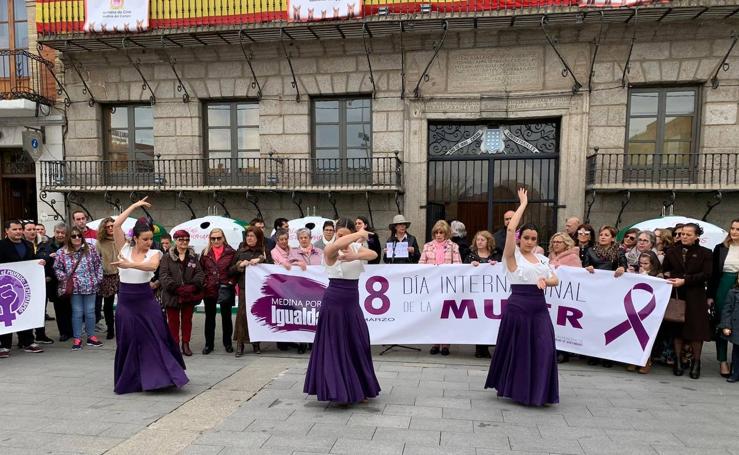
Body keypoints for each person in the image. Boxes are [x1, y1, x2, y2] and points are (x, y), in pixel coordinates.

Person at [485, 188, 559, 406]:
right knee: (520, 351)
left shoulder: (541, 259)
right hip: (518, 308)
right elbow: (510, 230)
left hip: (539, 307)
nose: (529, 241)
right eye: (526, 237)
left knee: (545, 348)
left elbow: (556, 279)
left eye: (534, 238)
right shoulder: (512, 256)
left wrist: (546, 282)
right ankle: (519, 390)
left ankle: (540, 391)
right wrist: (524, 204)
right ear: (520, 238)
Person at [111, 198, 188, 394]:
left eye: (149, 239)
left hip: (146, 301)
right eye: (144, 239)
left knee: (154, 338)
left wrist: (130, 265)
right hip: (126, 302)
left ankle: (161, 377)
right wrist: (135, 206)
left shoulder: (155, 253)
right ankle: (132, 380)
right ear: (135, 238)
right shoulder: (124, 248)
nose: (148, 242)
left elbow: (151, 267)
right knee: (128, 341)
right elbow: (117, 224)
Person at [303, 218, 380, 404]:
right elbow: (332, 248)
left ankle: (359, 387)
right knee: (336, 345)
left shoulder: (355, 249)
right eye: (339, 236)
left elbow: (374, 254)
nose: (342, 240)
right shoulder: (329, 252)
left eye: (346, 236)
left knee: (358, 344)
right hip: (334, 303)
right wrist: (358, 235)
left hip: (352, 304)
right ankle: (339, 390)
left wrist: (355, 254)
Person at [663, 222, 712, 379]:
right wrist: (669, 277)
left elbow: (707, 274)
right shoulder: (672, 251)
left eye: (688, 234)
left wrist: (685, 280)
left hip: (696, 295)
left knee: (696, 330)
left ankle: (696, 362)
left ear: (697, 236)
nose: (684, 237)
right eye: (682, 233)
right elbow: (665, 269)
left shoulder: (705, 252)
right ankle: (677, 360)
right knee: (677, 327)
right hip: (677, 294)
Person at [0, 219, 46, 357]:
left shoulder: (28, 245)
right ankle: (4, 345)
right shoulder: (1, 245)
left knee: (25, 311)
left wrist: (40, 262)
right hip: (5, 286)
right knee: (6, 314)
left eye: (20, 229)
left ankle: (27, 342)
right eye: (14, 229)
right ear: (6, 231)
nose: (18, 232)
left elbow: (31, 261)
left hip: (22, 286)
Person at [54, 226, 104, 350]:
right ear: (69, 238)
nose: (77, 238)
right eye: (73, 236)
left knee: (90, 312)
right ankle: (77, 338)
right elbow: (57, 268)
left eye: (79, 236)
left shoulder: (91, 249)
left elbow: (98, 265)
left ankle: (91, 336)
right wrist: (65, 278)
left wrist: (97, 279)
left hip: (90, 285)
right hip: (74, 288)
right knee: (77, 313)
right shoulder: (62, 252)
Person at [583, 225, 626, 367]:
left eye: (606, 235)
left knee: (609, 323)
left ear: (613, 238)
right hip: (595, 292)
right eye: (601, 234)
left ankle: (608, 356)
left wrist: (621, 268)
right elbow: (584, 267)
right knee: (594, 322)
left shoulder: (619, 252)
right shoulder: (590, 250)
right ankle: (593, 354)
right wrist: (587, 268)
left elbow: (623, 266)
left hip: (611, 292)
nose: (602, 237)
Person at [159, 230, 204, 357]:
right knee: (173, 321)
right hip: (172, 295)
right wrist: (176, 288)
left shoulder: (193, 257)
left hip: (188, 296)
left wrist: (192, 287)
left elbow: (200, 274)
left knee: (187, 320)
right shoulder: (167, 257)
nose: (184, 242)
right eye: (181, 239)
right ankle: (174, 345)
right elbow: (163, 275)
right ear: (175, 240)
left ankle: (186, 344)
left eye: (186, 240)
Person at [420, 220, 462, 356]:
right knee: (434, 314)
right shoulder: (427, 246)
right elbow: (420, 264)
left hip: (447, 285)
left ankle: (446, 344)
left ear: (446, 233)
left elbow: (458, 264)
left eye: (441, 232)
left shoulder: (453, 246)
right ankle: (435, 343)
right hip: (432, 286)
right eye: (436, 232)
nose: (438, 235)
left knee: (447, 314)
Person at [708, 219, 739, 378]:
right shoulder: (720, 248)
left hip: (738, 285)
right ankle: (722, 361)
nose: (734, 232)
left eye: (738, 229)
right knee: (723, 322)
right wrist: (710, 296)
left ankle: (736, 361)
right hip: (723, 285)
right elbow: (713, 275)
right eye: (732, 228)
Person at [200, 227, 237, 355]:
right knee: (209, 318)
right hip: (209, 288)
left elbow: (234, 269)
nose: (216, 240)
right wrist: (204, 282)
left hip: (225, 287)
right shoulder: (205, 252)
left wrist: (231, 282)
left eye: (218, 238)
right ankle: (208, 344)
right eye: (213, 238)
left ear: (223, 238)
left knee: (226, 317)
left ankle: (228, 343)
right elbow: (201, 270)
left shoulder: (231, 252)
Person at [625, 251, 663, 374]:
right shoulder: (636, 272)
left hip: (650, 309)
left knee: (646, 335)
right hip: (636, 307)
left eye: (646, 263)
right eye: (641, 263)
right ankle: (634, 359)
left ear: (653, 264)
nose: (643, 266)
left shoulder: (659, 275)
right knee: (633, 334)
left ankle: (646, 360)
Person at [231, 226, 266, 357]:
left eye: (252, 236)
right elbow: (230, 270)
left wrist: (261, 259)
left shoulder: (262, 251)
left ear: (258, 238)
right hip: (244, 287)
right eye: (248, 236)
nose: (249, 238)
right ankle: (240, 344)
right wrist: (240, 265)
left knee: (256, 315)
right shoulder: (240, 252)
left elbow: (271, 265)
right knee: (242, 315)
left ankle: (256, 343)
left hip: (259, 289)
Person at [465, 230, 499, 359]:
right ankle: (479, 348)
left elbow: (503, 268)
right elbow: (462, 272)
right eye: (478, 240)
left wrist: (495, 265)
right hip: (476, 294)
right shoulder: (471, 256)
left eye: (482, 240)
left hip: (491, 294)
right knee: (478, 319)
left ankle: (486, 346)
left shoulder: (495, 255)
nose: (479, 242)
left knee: (489, 320)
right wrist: (470, 266)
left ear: (488, 242)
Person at [38, 223, 72, 341]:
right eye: (58, 232)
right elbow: (39, 259)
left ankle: (72, 330)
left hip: (70, 282)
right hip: (53, 282)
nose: (60, 235)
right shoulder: (46, 244)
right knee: (59, 308)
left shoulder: (71, 244)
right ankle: (64, 332)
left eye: (63, 233)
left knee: (71, 307)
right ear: (54, 232)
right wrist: (49, 256)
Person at [96, 217, 119, 340]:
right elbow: (96, 260)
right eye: (108, 226)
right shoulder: (99, 242)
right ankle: (110, 329)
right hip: (107, 276)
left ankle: (123, 327)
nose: (110, 228)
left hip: (121, 275)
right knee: (108, 305)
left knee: (124, 304)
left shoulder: (121, 238)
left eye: (112, 226)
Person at [719, 275, 739, 382]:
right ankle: (736, 373)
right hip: (737, 327)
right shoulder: (733, 293)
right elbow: (726, 311)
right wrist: (726, 326)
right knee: (737, 351)